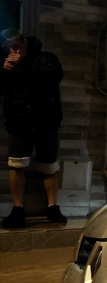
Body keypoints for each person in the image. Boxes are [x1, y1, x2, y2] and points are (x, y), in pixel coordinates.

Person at [1, 29, 66, 229]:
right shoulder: (6, 63)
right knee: (17, 164)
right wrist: (4, 72)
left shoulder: (46, 58)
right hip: (19, 121)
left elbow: (53, 76)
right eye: (9, 47)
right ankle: (18, 208)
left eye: (16, 46)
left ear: (25, 42)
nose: (13, 50)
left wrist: (22, 64)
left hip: (46, 120)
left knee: (49, 166)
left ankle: (52, 207)